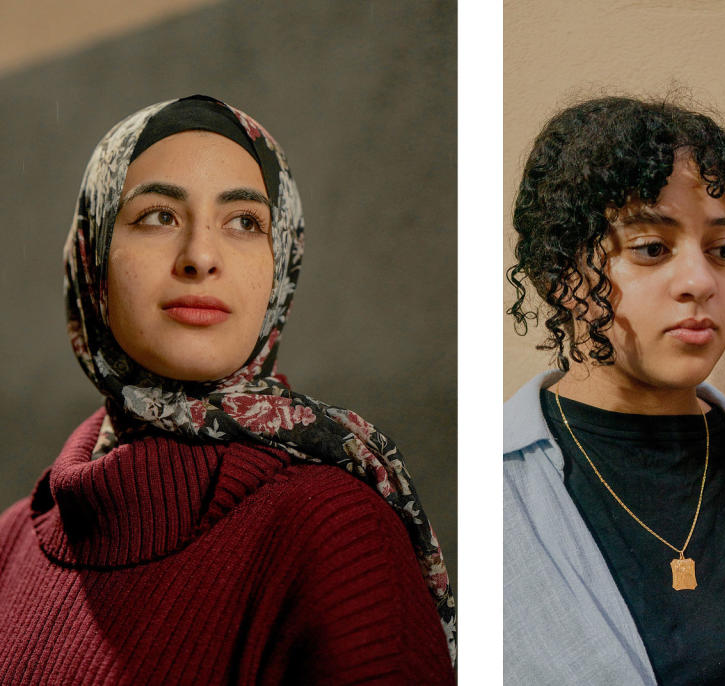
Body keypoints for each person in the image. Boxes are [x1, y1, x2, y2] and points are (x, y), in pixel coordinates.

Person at [0, 95, 455, 685]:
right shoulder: (12, 542)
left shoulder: (336, 533)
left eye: (245, 222)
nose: (200, 257)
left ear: (280, 263)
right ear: (94, 256)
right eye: (158, 216)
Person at [503, 96, 725, 684]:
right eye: (651, 248)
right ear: (560, 275)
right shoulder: (494, 485)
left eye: (722, 251)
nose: (701, 281)